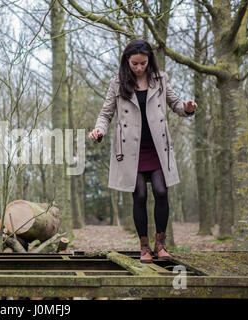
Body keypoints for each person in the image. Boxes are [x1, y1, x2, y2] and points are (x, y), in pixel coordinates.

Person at [88, 39, 197, 263]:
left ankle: (161, 244)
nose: (139, 68)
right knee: (139, 194)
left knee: (161, 191)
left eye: (143, 63)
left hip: (157, 146)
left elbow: (176, 104)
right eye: (135, 63)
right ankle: (144, 247)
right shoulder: (117, 83)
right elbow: (106, 113)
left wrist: (187, 108)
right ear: (127, 61)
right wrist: (99, 129)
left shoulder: (160, 79)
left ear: (150, 61)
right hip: (130, 149)